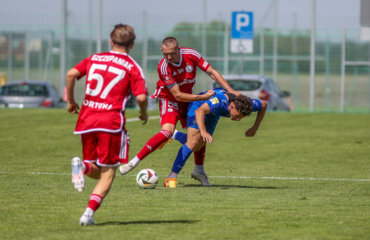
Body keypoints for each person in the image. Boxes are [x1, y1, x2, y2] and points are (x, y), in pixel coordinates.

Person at [66, 24, 148, 225]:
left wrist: (70, 101)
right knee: (108, 173)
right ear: (132, 45)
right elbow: (142, 96)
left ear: (111, 42)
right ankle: (88, 214)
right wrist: (143, 112)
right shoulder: (132, 66)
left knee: (95, 168)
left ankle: (82, 166)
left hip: (86, 119)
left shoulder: (94, 59)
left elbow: (70, 74)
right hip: (110, 122)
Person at [119, 37, 238, 175]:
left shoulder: (191, 55)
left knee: (198, 138)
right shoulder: (163, 67)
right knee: (167, 132)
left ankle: (199, 171)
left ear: (179, 49)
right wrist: (202, 98)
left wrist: (232, 91)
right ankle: (133, 162)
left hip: (188, 100)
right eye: (165, 54)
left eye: (172, 53)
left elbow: (212, 72)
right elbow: (177, 95)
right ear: (161, 51)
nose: (169, 57)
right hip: (170, 99)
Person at [163, 88, 267, 188]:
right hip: (199, 106)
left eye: (241, 117)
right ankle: (172, 177)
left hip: (214, 113)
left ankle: (198, 171)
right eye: (237, 115)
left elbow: (263, 105)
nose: (238, 119)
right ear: (231, 106)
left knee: (199, 144)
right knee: (193, 142)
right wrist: (203, 131)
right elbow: (200, 111)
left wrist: (255, 127)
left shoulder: (246, 105)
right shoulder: (220, 100)